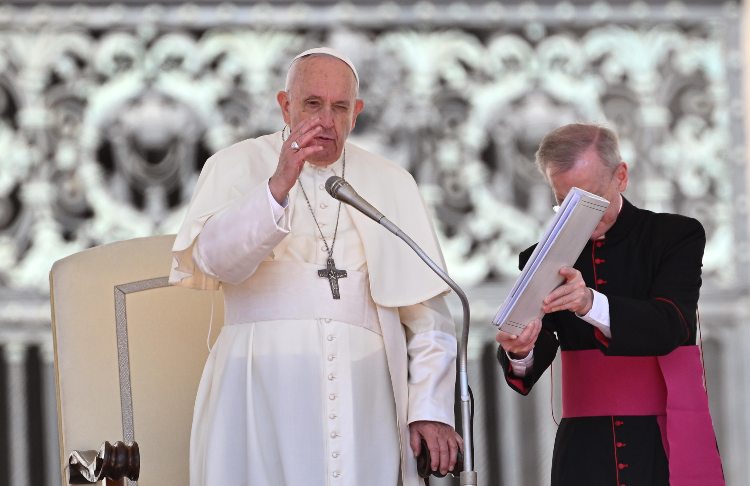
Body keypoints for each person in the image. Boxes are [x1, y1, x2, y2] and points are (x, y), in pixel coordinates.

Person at [169, 47, 462, 486]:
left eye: (339, 107)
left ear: (356, 113)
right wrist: (277, 186)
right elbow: (215, 261)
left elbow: (429, 319)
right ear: (285, 105)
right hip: (258, 389)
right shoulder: (234, 164)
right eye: (312, 104)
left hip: (367, 402)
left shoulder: (391, 182)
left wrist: (430, 410)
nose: (326, 119)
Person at [496, 123, 724, 486]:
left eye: (592, 199)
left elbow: (672, 324)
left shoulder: (674, 236)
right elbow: (534, 353)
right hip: (585, 450)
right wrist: (520, 351)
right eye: (567, 203)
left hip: (663, 436)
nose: (583, 216)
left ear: (621, 176)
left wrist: (590, 304)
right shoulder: (540, 259)